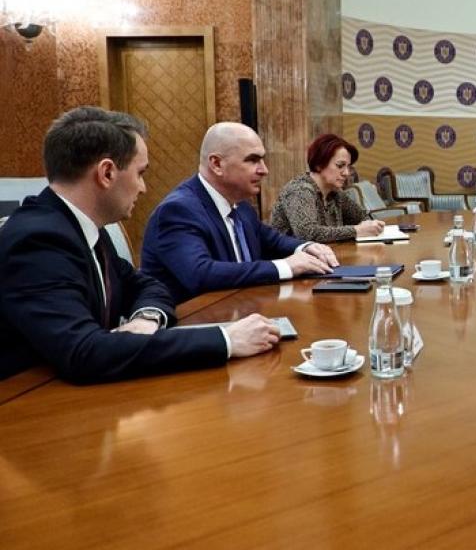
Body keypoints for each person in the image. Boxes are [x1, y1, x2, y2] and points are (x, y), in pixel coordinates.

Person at [0, 107, 280, 383]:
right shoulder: (38, 240)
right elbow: (84, 352)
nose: (143, 188)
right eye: (140, 173)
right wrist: (225, 339)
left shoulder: (80, 225)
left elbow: (147, 284)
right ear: (107, 173)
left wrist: (147, 318)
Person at [141, 122, 340, 303]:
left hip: (242, 311)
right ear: (217, 164)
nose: (264, 170)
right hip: (194, 320)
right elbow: (201, 274)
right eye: (253, 160)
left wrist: (306, 247)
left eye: (262, 160)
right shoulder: (178, 210)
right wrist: (286, 267)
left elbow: (272, 241)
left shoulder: (240, 205)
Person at [269, 133, 385, 242]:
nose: (346, 173)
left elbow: (361, 217)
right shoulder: (299, 190)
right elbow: (307, 233)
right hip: (290, 256)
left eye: (348, 167)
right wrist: (356, 231)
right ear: (319, 164)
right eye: (340, 165)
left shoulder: (335, 192)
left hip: (328, 254)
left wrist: (371, 226)